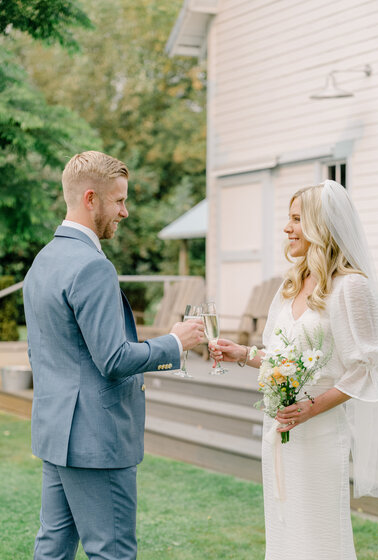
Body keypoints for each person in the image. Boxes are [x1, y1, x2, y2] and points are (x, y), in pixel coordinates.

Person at [23, 151, 204, 560]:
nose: (124, 211)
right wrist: (175, 343)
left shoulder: (43, 261)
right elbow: (114, 359)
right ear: (91, 199)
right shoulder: (92, 266)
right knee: (113, 552)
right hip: (96, 438)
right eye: (119, 200)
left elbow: (41, 353)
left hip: (57, 434)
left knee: (52, 549)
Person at [210, 180, 378, 560]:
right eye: (288, 218)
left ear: (320, 226)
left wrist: (313, 407)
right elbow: (282, 357)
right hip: (278, 432)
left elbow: (368, 366)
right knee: (283, 530)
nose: (287, 228)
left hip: (319, 433)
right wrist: (243, 354)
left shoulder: (350, 287)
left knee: (319, 535)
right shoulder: (291, 284)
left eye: (296, 218)